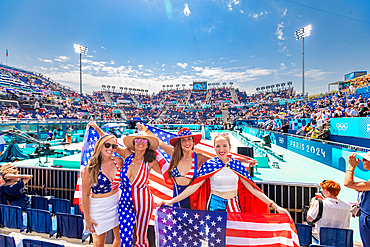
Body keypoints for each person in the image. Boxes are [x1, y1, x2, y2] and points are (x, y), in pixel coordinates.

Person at [159, 134, 290, 216]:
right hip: (215, 206)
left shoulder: (236, 165)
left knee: (235, 240)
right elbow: (192, 188)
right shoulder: (209, 165)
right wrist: (170, 201)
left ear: (229, 147)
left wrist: (275, 206)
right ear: (214, 148)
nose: (221, 149)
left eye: (224, 146)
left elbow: (253, 189)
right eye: (218, 146)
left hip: (234, 205)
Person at [88, 122, 162, 247]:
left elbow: (168, 172)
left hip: (144, 201)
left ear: (148, 145)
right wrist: (97, 128)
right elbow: (109, 143)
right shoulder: (128, 155)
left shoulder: (151, 161)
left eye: (144, 141)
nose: (140, 143)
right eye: (138, 140)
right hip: (125, 201)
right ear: (133, 143)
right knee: (124, 236)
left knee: (141, 237)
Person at [138, 125, 211, 209]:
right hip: (176, 201)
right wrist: (147, 130)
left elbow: (217, 162)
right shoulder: (174, 154)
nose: (187, 143)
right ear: (179, 143)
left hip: (193, 203)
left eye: (189, 139)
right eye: (183, 140)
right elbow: (160, 142)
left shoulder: (198, 157)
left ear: (193, 142)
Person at [82, 135, 122, 247]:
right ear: (100, 146)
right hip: (98, 208)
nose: (110, 148)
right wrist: (87, 218)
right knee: (99, 243)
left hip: (116, 204)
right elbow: (85, 195)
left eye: (114, 146)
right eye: (107, 145)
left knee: (120, 240)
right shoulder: (90, 168)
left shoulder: (119, 162)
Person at [345, 152, 370, 247]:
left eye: (365, 159)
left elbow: (348, 184)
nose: (362, 161)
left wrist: (351, 167)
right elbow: (358, 187)